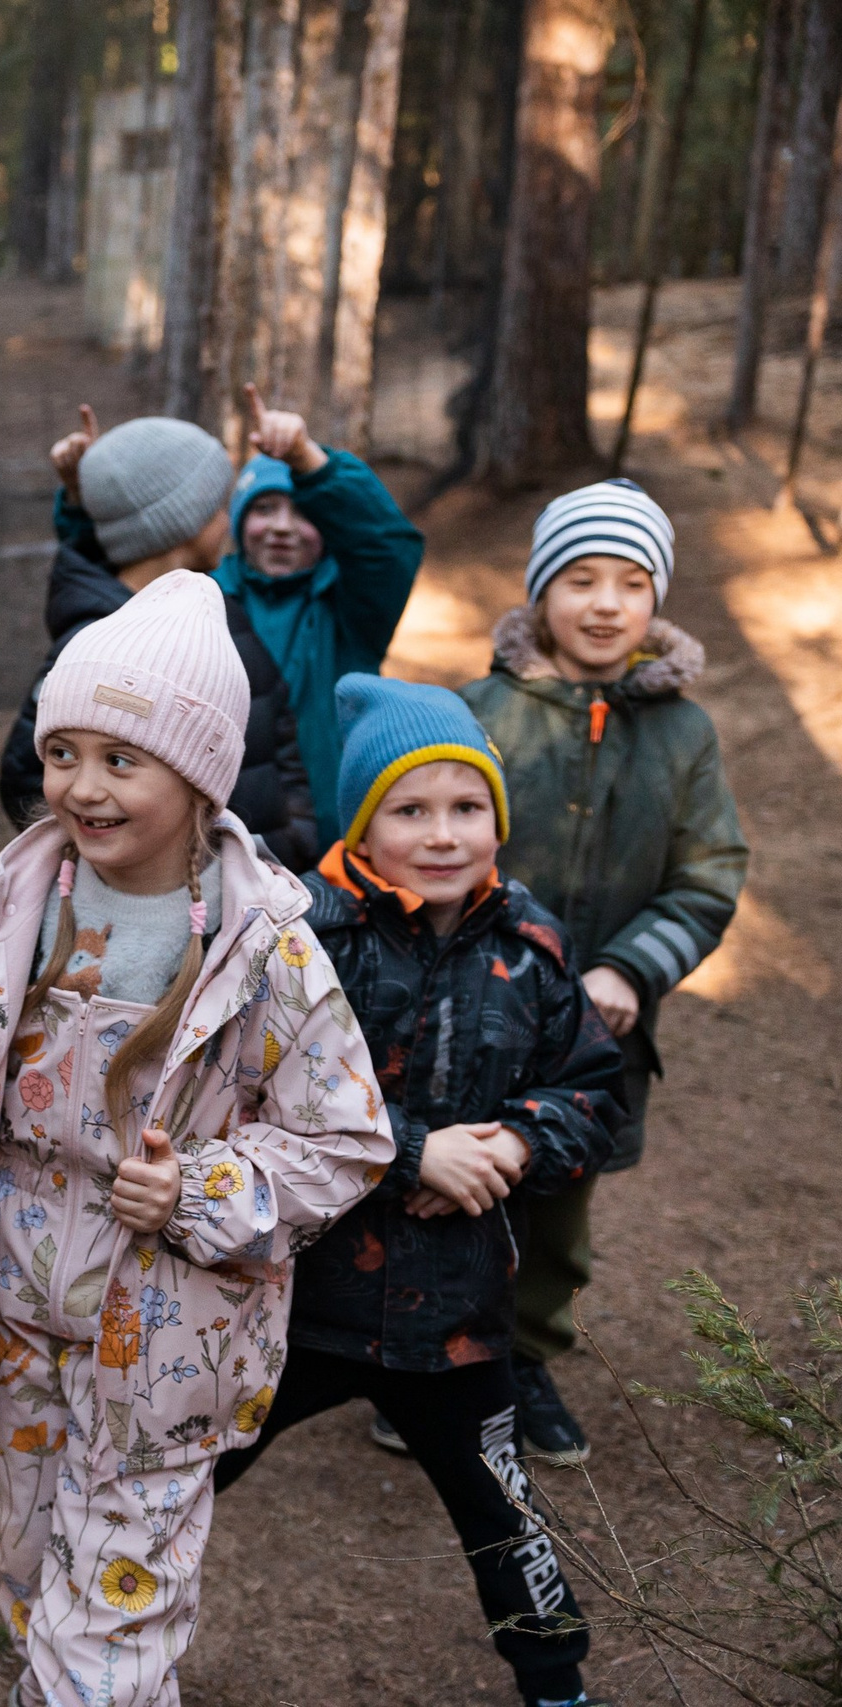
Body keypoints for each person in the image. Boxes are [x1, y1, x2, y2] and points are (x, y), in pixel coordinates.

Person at [0, 570, 390, 1707]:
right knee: (30, 1581)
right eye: (63, 752)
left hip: (167, 1350)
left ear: (200, 776)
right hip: (11, 1326)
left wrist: (205, 1189)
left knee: (109, 1627)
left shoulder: (265, 950)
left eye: (122, 760)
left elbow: (348, 1136)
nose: (81, 786)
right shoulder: (8, 909)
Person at [217, 675, 621, 1707]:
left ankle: (555, 1681)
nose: (443, 835)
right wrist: (413, 1154)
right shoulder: (305, 937)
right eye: (409, 810)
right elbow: (250, 1093)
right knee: (185, 1471)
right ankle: (84, 1623)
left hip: (457, 1314)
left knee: (504, 1517)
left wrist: (520, 1146)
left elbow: (589, 1087)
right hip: (297, 1304)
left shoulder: (528, 948)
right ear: (362, 823)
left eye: (465, 807)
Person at [459, 479, 747, 1462]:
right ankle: (425, 1361)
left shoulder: (683, 736)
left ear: (654, 602)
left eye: (630, 582)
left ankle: (523, 1357)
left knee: (557, 1203)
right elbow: (422, 847)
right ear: (540, 590)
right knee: (457, 1183)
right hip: (475, 1015)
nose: (604, 602)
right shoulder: (477, 712)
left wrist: (632, 969)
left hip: (598, 1030)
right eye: (579, 577)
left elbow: (707, 875)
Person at [6, 411, 322, 871]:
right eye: (216, 507)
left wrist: (291, 838)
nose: (226, 521)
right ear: (182, 523)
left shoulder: (216, 614)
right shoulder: (103, 640)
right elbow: (23, 776)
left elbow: (275, 744)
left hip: (248, 881)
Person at [210, 385, 426, 842]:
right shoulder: (204, 602)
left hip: (333, 844)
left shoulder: (352, 608)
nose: (282, 528)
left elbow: (387, 545)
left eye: (303, 513)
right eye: (264, 509)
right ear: (238, 523)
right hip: (219, 842)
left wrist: (309, 462)